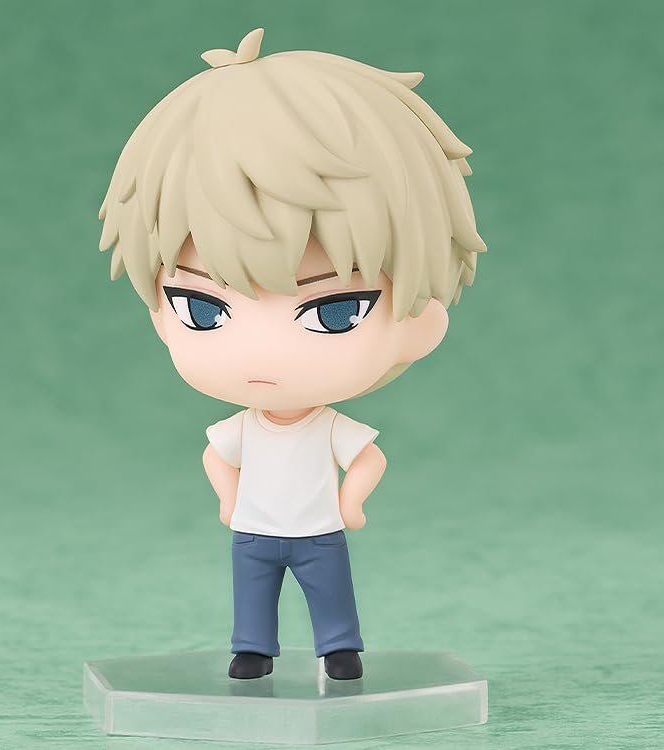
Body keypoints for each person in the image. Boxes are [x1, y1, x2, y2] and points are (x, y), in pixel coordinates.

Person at [98, 28, 485, 679]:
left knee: (329, 589)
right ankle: (252, 648)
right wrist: (229, 500)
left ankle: (340, 648)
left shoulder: (327, 425)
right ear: (161, 314)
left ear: (418, 322)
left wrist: (351, 503)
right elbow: (216, 456)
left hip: (318, 530)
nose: (263, 352)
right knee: (252, 592)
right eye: (203, 309)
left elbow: (368, 457)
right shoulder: (243, 427)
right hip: (253, 529)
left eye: (334, 312)